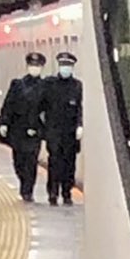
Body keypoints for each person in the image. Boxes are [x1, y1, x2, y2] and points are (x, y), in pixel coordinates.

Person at [0, 52, 47, 200]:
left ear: (41, 68)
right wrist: (3, 122)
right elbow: (8, 105)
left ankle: (27, 190)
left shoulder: (45, 87)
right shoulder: (17, 84)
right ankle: (23, 182)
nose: (34, 68)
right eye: (32, 65)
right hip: (17, 130)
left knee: (31, 161)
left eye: (37, 66)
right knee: (18, 161)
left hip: (34, 130)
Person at [40, 50, 83, 205]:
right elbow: (41, 107)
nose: (66, 68)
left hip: (70, 133)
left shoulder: (77, 86)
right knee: (54, 163)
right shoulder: (49, 85)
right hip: (54, 132)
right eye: (63, 65)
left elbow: (80, 109)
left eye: (68, 66)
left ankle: (67, 193)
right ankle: (53, 193)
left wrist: (80, 126)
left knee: (69, 164)